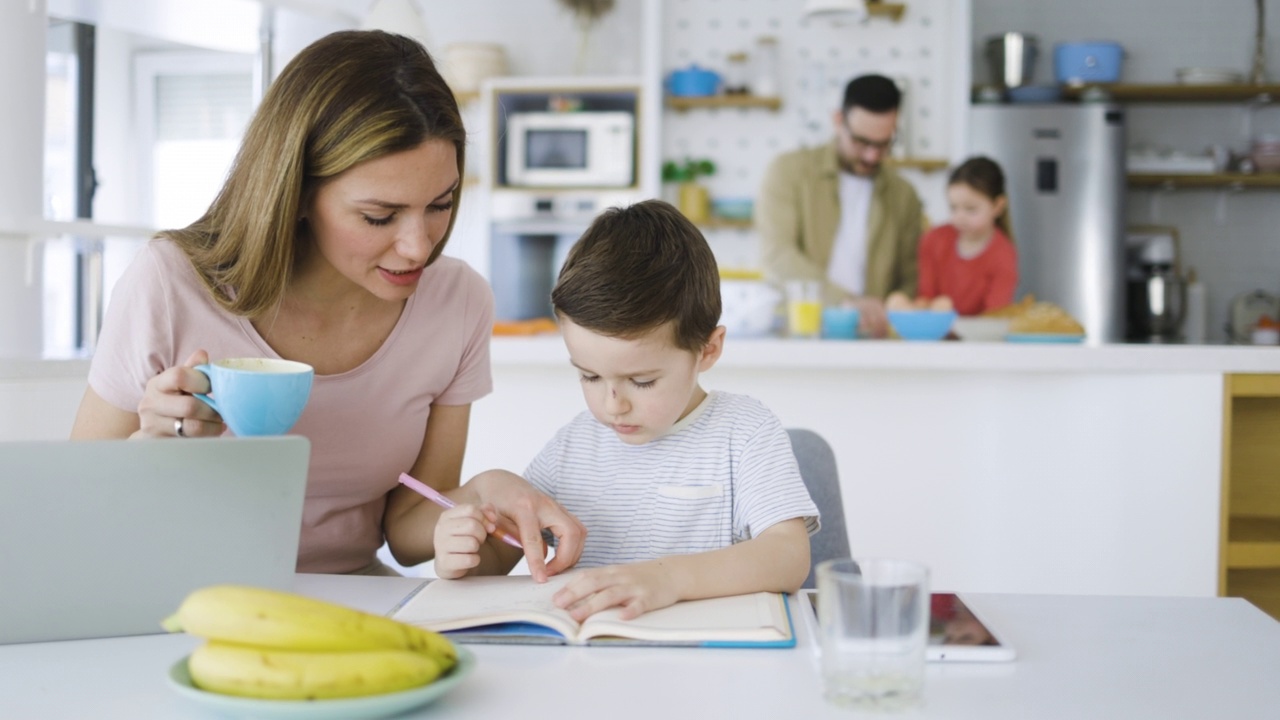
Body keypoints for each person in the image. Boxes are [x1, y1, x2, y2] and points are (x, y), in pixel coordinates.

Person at [68, 30, 584, 581]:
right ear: (297, 196)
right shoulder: (170, 284)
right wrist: (149, 452)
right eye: (379, 216)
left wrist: (482, 493)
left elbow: (408, 532)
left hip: (354, 601)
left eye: (441, 204)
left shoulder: (456, 302)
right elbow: (74, 510)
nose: (419, 246)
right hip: (178, 597)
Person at [434, 200, 819, 622]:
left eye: (642, 381)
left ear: (708, 350)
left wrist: (669, 579)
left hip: (709, 665)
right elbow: (505, 555)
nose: (612, 404)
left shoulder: (743, 431)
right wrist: (464, 551)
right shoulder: (573, 447)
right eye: (589, 376)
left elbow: (788, 555)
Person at [756, 73, 925, 337]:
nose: (871, 155)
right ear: (838, 121)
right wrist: (845, 302)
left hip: (871, 339)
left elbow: (910, 277)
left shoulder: (904, 196)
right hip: (798, 334)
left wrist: (892, 310)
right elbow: (777, 255)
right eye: (861, 142)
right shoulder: (788, 172)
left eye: (883, 144)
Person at [916, 157, 1017, 316]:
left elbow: (995, 316)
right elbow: (925, 299)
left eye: (971, 209)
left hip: (979, 339)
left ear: (998, 206)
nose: (959, 217)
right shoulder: (933, 240)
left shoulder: (1003, 255)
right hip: (933, 336)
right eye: (953, 208)